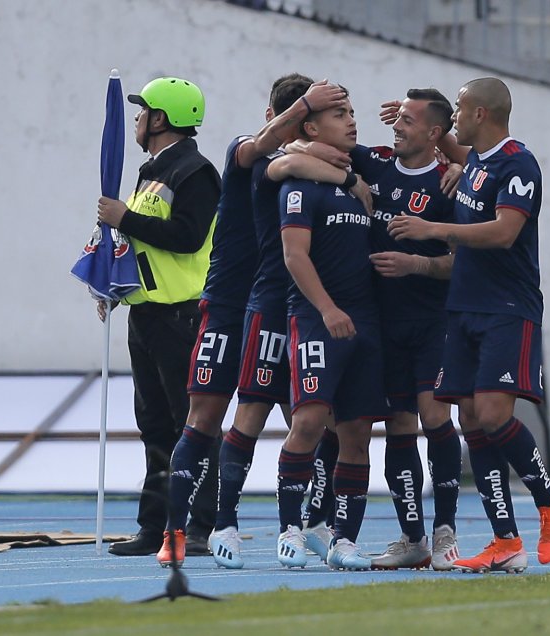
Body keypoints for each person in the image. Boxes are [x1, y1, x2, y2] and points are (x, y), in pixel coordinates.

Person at [153, 75, 348, 567]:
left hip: (282, 305)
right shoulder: (248, 149)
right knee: (205, 418)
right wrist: (309, 119)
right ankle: (179, 532)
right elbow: (272, 151)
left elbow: (318, 162)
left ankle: (313, 521)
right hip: (228, 303)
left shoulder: (301, 166)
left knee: (310, 417)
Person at [388, 77, 550, 573]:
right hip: (462, 309)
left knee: (492, 415)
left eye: (460, 109)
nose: (454, 119)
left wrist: (434, 229)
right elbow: (449, 143)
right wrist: (412, 118)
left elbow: (505, 232)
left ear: (482, 115)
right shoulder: (474, 165)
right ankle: (505, 541)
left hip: (507, 308)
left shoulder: (517, 163)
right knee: (470, 421)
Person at [204, 74, 368, 569]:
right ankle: (224, 521)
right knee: (252, 413)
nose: (351, 121)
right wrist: (342, 176)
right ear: (304, 120)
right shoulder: (273, 161)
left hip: (329, 315)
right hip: (275, 304)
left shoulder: (346, 159)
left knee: (327, 423)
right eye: (338, 113)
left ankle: (317, 524)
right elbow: (282, 159)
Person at [95, 77, 221, 558]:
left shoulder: (196, 171)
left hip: (180, 316)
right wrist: (112, 284)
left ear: (161, 118)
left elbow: (187, 237)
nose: (136, 119)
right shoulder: (152, 170)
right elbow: (142, 245)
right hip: (147, 314)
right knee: (154, 426)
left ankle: (202, 527)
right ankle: (157, 528)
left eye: (142, 110)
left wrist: (124, 217)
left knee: (191, 423)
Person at [345, 89, 464, 571]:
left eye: (409, 120)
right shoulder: (376, 166)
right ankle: (412, 537)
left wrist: (417, 264)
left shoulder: (450, 184)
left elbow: (465, 263)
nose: (396, 125)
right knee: (397, 425)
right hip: (381, 322)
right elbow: (308, 145)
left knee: (434, 418)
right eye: (398, 118)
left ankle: (446, 531)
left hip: (432, 322)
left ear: (435, 133)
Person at [275, 89, 390, 571]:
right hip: (317, 319)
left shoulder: (362, 178)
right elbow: (294, 255)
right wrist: (325, 309)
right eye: (339, 114)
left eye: (352, 113)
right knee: (307, 422)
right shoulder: (301, 185)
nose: (351, 121)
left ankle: (345, 539)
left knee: (357, 433)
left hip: (366, 321)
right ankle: (289, 532)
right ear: (311, 128)